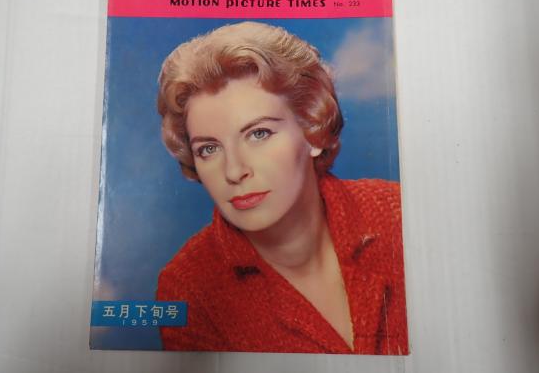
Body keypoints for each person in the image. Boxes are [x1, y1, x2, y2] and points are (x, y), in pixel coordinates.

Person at [155, 21, 408, 354]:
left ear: (312, 129)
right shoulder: (189, 286)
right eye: (209, 149)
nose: (234, 171)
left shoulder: (397, 213)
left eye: (259, 134)